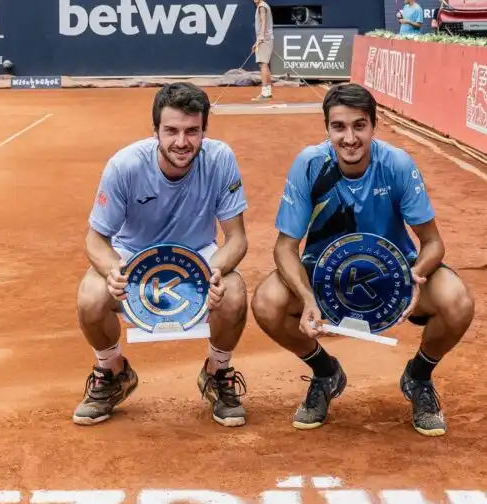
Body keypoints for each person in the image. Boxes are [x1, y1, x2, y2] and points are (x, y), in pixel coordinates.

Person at [251, 82, 475, 437]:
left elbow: (433, 243)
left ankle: (418, 378)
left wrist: (414, 278)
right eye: (339, 127)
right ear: (327, 128)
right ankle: (325, 372)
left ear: (373, 126)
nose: (350, 138)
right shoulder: (310, 164)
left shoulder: (396, 164)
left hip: (394, 278)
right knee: (266, 302)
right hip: (326, 280)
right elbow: (284, 248)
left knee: (458, 302)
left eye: (359, 125)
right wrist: (308, 298)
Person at [74, 82, 249, 428]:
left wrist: (209, 272)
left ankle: (217, 372)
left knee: (235, 293)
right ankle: (111, 372)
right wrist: (114, 271)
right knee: (91, 296)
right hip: (133, 256)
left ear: (203, 131)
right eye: (170, 131)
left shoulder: (220, 159)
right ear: (154, 130)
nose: (181, 142)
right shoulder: (123, 166)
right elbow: (96, 240)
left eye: (192, 131)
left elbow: (236, 239)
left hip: (198, 255)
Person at [251, 0, 274, 101]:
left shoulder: (262, 6)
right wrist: (257, 41)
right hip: (266, 38)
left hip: (264, 39)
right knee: (265, 65)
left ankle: (264, 93)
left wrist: (261, 38)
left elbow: (263, 21)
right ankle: (267, 92)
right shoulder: (263, 6)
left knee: (263, 65)